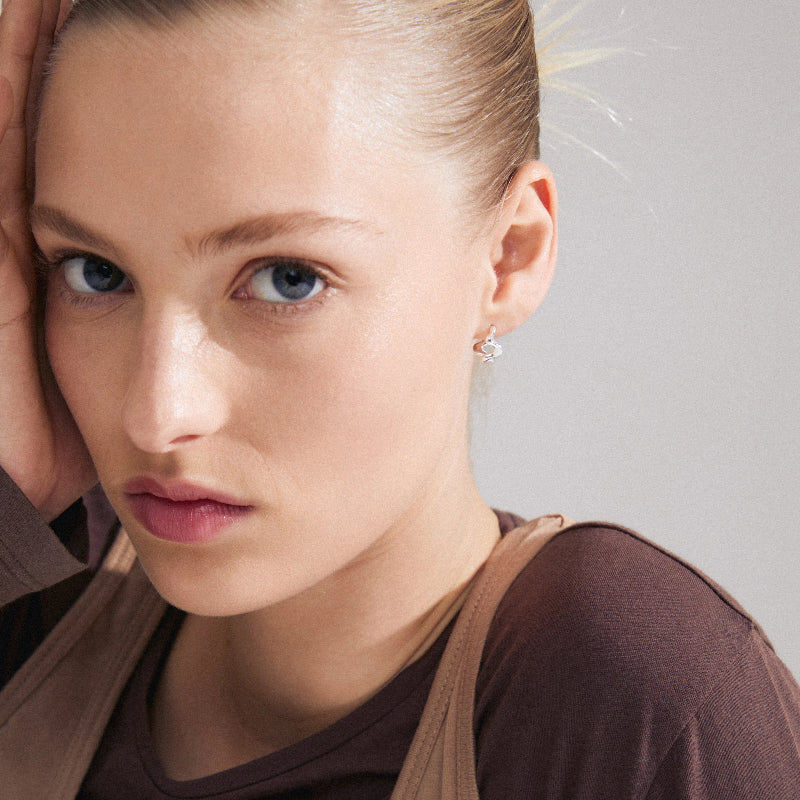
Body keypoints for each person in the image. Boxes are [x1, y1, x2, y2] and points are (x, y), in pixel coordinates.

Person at [0, 0, 798, 797]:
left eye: (287, 279)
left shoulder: (629, 698)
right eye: (94, 272)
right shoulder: (40, 582)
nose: (157, 413)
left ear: (508, 257)